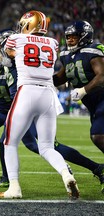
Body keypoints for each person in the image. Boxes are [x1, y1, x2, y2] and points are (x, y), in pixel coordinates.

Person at [0, 32, 104, 192]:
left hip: (22, 107)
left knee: (32, 144)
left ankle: (87, 168)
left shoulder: (17, 66)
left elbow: (21, 85)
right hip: (7, 108)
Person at [0, 10, 80, 199]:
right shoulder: (53, 42)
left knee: (9, 142)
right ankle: (66, 174)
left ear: (28, 24)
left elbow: (6, 58)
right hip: (49, 95)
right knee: (47, 147)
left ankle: (14, 187)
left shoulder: (16, 38)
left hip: (27, 91)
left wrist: (7, 55)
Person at [53, 20, 104, 192]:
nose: (70, 40)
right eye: (68, 36)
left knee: (98, 135)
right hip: (94, 105)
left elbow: (102, 76)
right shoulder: (67, 55)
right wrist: (40, 76)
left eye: (74, 36)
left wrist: (83, 90)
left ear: (84, 36)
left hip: (102, 99)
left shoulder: (93, 51)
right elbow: (61, 77)